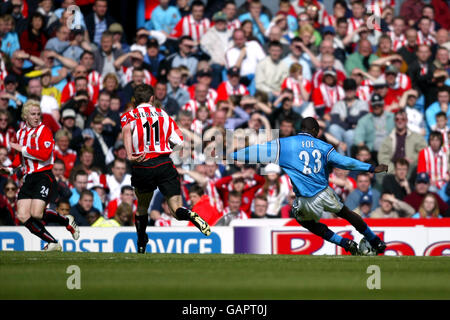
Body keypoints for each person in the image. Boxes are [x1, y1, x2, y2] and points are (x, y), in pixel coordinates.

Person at [228, 117, 388, 255]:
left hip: (304, 199)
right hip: (324, 192)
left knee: (304, 220)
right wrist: (371, 168)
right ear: (314, 130)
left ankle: (345, 244)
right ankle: (375, 241)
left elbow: (256, 151)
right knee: (346, 213)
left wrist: (231, 155)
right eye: (317, 131)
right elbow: (344, 162)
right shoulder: (324, 146)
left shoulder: (285, 144)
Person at [121, 84, 211, 253]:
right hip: (164, 163)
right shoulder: (163, 114)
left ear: (135, 100)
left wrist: (129, 155)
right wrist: (163, 145)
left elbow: (126, 132)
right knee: (176, 209)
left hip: (143, 163)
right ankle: (191, 215)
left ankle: (141, 242)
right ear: (151, 99)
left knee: (142, 207)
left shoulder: (129, 115)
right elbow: (178, 140)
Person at [0, 100, 79, 251]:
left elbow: (44, 155)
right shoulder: (20, 133)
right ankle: (53, 242)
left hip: (44, 175)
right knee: (23, 215)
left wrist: (22, 148)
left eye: (38, 114)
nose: (36, 117)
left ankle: (66, 221)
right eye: (33, 114)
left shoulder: (45, 130)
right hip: (28, 177)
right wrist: (9, 170)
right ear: (25, 116)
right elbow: (19, 159)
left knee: (36, 213)